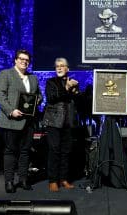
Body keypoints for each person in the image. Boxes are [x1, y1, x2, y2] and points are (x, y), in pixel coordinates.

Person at [0, 49, 43, 193]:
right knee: (10, 152)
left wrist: (36, 102)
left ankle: (23, 180)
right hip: (11, 121)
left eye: (27, 60)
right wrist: (11, 110)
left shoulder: (33, 78)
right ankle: (9, 182)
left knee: (25, 152)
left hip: (28, 122)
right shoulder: (6, 74)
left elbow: (38, 95)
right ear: (15, 60)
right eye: (21, 59)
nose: (24, 61)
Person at [42, 57, 80, 192]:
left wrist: (75, 90)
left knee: (66, 151)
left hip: (68, 122)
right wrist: (67, 88)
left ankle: (63, 179)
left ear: (67, 69)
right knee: (54, 150)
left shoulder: (73, 83)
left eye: (62, 65)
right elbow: (52, 98)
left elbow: (76, 102)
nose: (59, 67)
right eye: (57, 66)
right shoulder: (50, 82)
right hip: (53, 122)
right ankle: (53, 180)